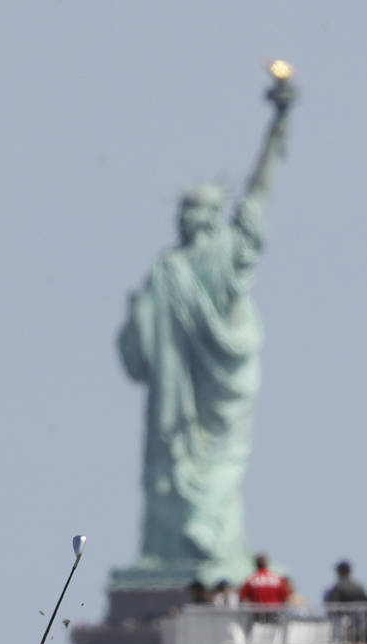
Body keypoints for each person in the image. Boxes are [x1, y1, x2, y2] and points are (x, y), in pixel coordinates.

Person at [117, 72, 296, 586]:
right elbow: (139, 357)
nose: (189, 216)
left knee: (221, 472)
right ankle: (177, 548)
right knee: (170, 470)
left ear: (215, 215)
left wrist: (279, 125)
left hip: (223, 385)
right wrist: (136, 318)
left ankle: (212, 543)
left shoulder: (224, 253)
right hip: (175, 397)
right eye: (185, 208)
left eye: (198, 207)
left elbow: (260, 191)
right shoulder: (164, 270)